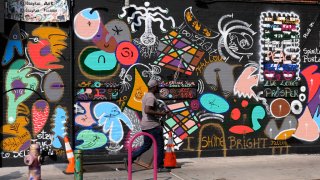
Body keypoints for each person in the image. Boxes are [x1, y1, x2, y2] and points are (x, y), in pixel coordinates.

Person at [124, 79, 171, 173]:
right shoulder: (151, 97)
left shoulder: (147, 95)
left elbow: (149, 111)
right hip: (152, 125)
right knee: (159, 146)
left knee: (146, 145)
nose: (159, 88)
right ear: (154, 87)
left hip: (146, 125)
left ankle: (130, 158)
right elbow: (147, 110)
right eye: (157, 86)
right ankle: (159, 167)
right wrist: (161, 113)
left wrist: (158, 113)